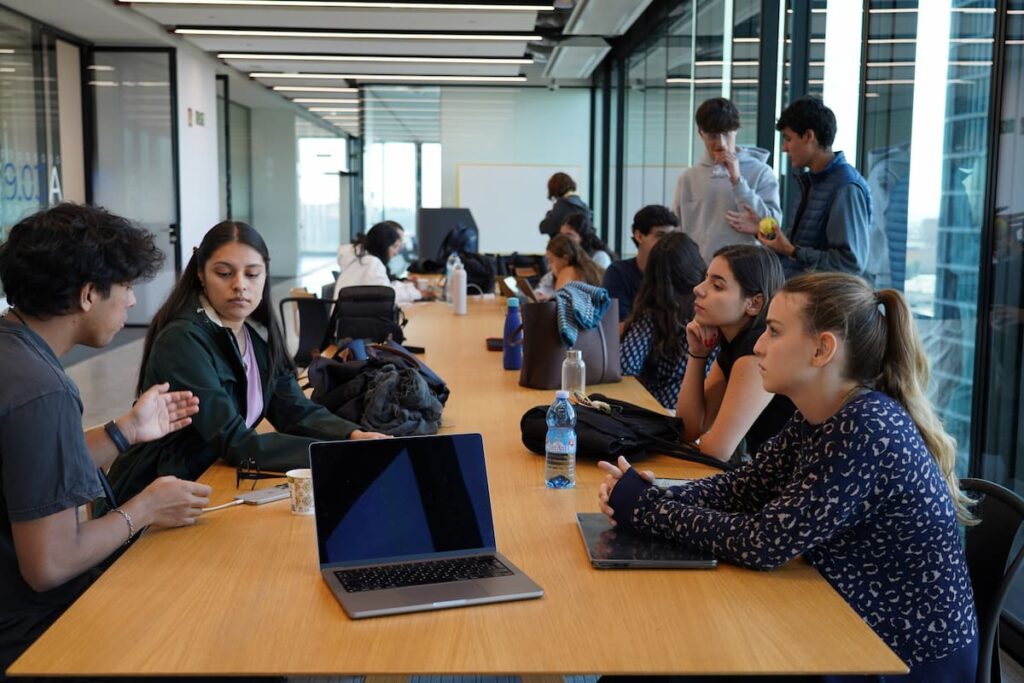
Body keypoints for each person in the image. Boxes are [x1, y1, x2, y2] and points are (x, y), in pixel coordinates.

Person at [600, 273, 978, 682]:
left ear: (822, 349)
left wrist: (648, 508)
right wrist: (656, 494)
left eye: (775, 331)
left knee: (670, 661)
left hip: (898, 658)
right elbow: (743, 488)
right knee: (667, 654)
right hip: (845, 622)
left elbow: (764, 542)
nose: (758, 345)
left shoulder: (865, 426)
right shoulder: (819, 415)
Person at [0, 203, 211, 673]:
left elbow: (26, 469)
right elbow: (51, 564)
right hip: (28, 637)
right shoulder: (42, 390)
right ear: (89, 294)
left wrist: (125, 431)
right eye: (128, 286)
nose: (132, 301)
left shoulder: (14, 355)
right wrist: (145, 508)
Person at [107, 221, 387, 506]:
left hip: (207, 480)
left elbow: (293, 410)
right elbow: (236, 442)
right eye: (224, 273)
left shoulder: (256, 332)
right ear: (201, 274)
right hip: (154, 495)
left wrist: (350, 435)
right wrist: (334, 453)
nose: (240, 284)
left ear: (265, 275)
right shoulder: (182, 339)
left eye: (252, 274)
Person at [727, 96, 872, 281]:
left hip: (819, 297)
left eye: (788, 139)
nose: (784, 148)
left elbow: (849, 264)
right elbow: (802, 245)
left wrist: (792, 251)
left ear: (809, 136)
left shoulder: (846, 187)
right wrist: (764, 232)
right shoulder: (813, 181)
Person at [675, 245, 794, 461]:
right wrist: (698, 354)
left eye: (717, 286)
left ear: (754, 303)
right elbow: (688, 428)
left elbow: (717, 450)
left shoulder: (757, 349)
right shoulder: (734, 343)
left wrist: (709, 439)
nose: (698, 289)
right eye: (705, 278)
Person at [672, 97, 782, 264]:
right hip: (697, 271)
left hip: (746, 270)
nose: (721, 144)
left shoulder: (761, 172)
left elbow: (773, 229)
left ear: (736, 131)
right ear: (701, 133)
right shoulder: (687, 178)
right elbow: (677, 231)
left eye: (726, 134)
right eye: (713, 136)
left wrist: (738, 181)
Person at [620, 232, 706, 410]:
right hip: (702, 412)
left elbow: (625, 365)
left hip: (657, 409)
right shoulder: (711, 315)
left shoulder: (654, 313)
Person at [602, 205, 678, 323]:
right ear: (639, 236)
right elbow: (616, 326)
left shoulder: (678, 271)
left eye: (671, 237)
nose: (668, 243)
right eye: (660, 236)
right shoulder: (618, 273)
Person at [333, 221, 423, 303]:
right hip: (354, 314)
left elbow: (386, 287)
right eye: (394, 246)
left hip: (345, 313)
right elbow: (388, 295)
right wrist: (419, 293)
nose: (396, 252)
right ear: (384, 245)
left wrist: (409, 287)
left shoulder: (361, 258)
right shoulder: (371, 263)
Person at [539, 172, 592, 238]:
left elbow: (544, 228)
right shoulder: (583, 206)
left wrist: (549, 214)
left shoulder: (562, 205)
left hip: (565, 243)